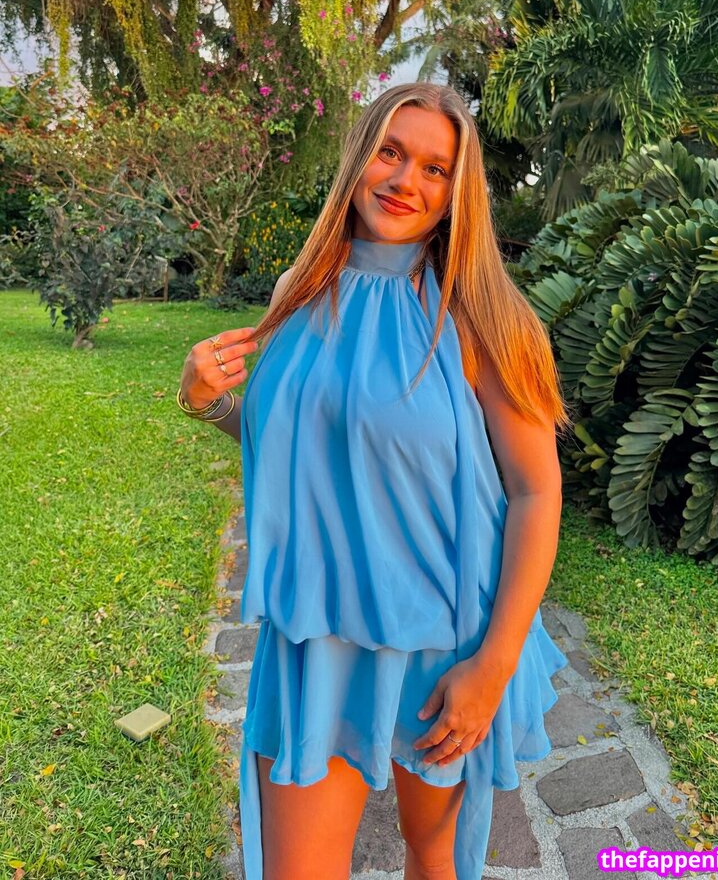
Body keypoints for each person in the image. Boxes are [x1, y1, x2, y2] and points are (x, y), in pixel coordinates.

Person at [177, 83, 572, 880]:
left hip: (445, 643)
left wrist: (492, 666)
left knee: (432, 855)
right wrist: (210, 403)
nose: (404, 181)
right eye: (390, 152)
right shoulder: (301, 287)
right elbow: (301, 442)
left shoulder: (484, 317)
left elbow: (537, 493)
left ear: (457, 191)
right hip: (317, 635)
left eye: (434, 168)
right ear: (359, 158)